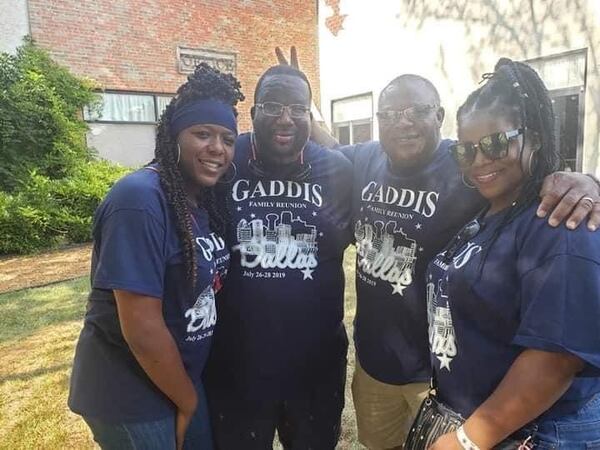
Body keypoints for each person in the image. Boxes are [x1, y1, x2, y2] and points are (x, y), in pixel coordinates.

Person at [274, 47, 600, 449]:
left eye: (416, 111)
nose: (402, 123)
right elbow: (327, 147)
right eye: (389, 115)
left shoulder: (471, 171)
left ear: (439, 118)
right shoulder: (369, 161)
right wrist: (306, 108)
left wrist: (586, 183)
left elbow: (557, 357)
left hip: (450, 383)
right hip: (386, 367)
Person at [68, 63, 244, 450]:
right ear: (173, 137)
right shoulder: (140, 200)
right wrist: (187, 402)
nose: (217, 148)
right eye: (202, 134)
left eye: (228, 139)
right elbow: (142, 329)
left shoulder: (201, 201)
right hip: (129, 391)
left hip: (177, 379)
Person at [427, 58, 600, 449]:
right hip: (491, 426)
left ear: (534, 137)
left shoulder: (559, 223)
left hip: (540, 434)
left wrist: (468, 440)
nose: (480, 160)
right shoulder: (486, 210)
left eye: (495, 143)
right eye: (466, 150)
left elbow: (555, 360)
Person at [203, 64, 353, 449]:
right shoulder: (224, 161)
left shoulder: (337, 169)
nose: (286, 118)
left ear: (309, 114)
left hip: (315, 366)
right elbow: (167, 178)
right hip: (236, 363)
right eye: (272, 105)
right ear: (252, 114)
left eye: (298, 108)